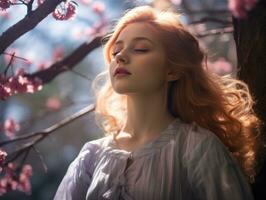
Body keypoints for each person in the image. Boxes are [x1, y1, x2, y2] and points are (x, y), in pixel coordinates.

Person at [54, 5, 261, 200]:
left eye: (141, 49)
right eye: (116, 51)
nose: (121, 57)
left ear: (172, 70)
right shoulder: (90, 157)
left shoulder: (197, 148)